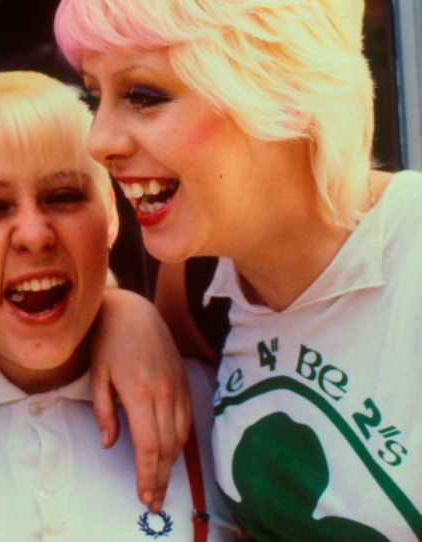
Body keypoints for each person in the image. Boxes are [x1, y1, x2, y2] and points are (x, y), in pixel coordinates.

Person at [53, 0, 422, 540]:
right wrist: (124, 312)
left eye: (143, 96)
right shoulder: (199, 282)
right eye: (95, 96)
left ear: (281, 88)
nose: (98, 141)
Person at [0, 70, 242, 541]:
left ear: (112, 215)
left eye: (65, 196)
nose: (34, 235)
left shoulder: (219, 398)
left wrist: (129, 309)